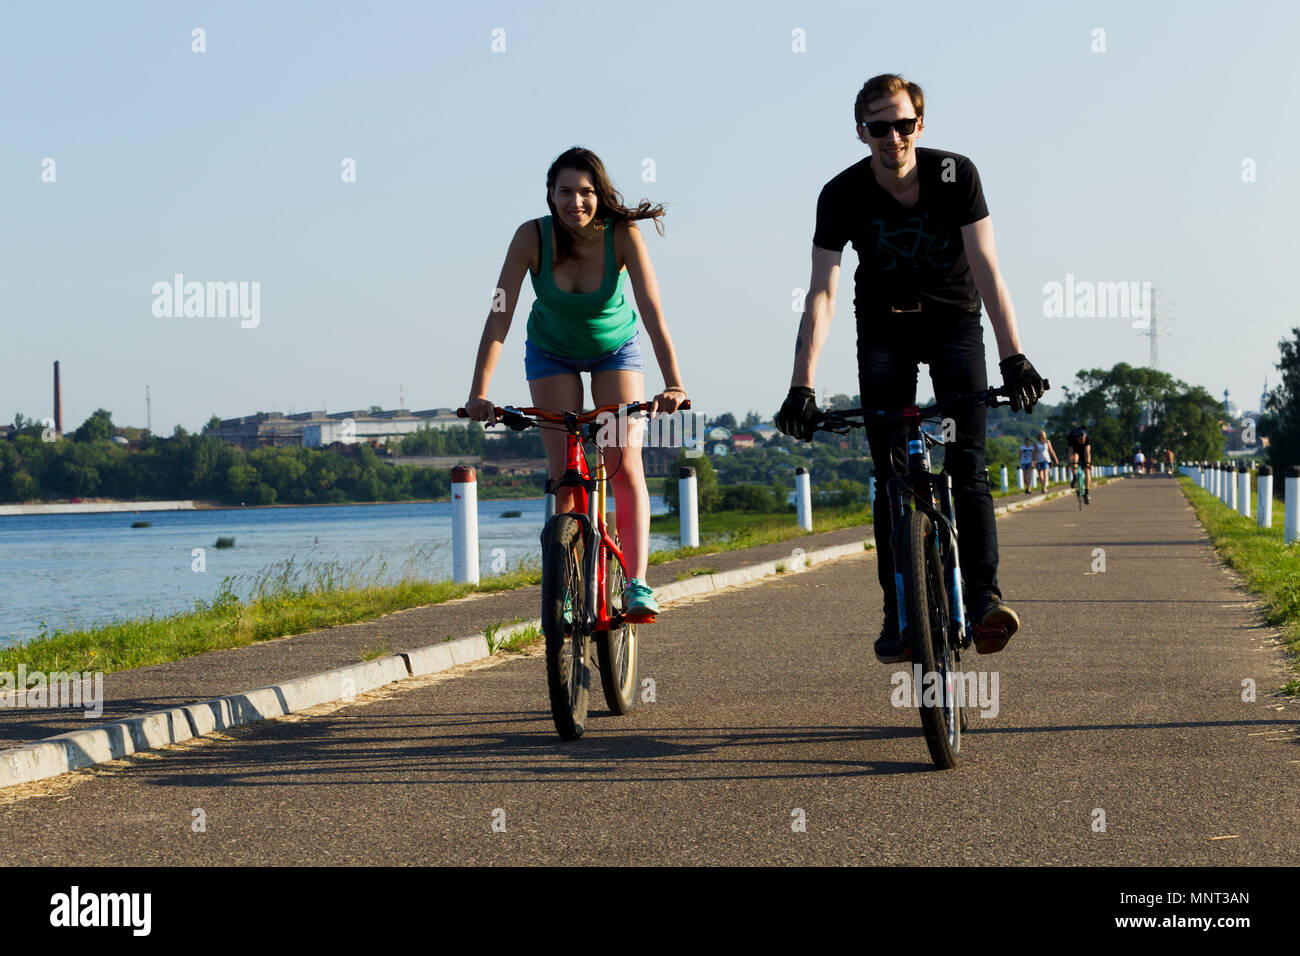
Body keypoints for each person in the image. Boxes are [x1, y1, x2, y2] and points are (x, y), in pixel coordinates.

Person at [775, 74, 1045, 662]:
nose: (892, 137)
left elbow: (988, 266)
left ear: (919, 125)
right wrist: (802, 384)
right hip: (884, 331)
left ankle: (983, 599)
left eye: (903, 125)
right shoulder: (840, 193)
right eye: (878, 127)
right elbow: (821, 292)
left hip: (954, 327)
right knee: (891, 475)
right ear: (860, 131)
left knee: (968, 465)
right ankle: (899, 612)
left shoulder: (957, 175)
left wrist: (1013, 354)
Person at [464, 146, 687, 616]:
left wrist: (674, 383)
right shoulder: (531, 237)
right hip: (550, 354)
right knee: (565, 471)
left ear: (599, 194)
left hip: (615, 351)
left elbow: (652, 312)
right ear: (550, 194)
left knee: (622, 461)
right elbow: (499, 314)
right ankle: (566, 587)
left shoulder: (621, 234)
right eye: (565, 191)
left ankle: (638, 583)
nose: (576, 202)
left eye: (586, 192)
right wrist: (479, 392)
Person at [1066, 426, 1091, 503]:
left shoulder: (1087, 439)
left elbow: (1087, 452)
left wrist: (1088, 464)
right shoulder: (1071, 439)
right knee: (1074, 459)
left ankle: (1087, 491)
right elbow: (1070, 453)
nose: (1083, 440)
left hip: (1084, 451)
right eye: (1082, 439)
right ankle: (1074, 478)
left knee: (1087, 471)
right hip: (1075, 450)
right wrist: (1070, 464)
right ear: (1077, 438)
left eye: (1084, 439)